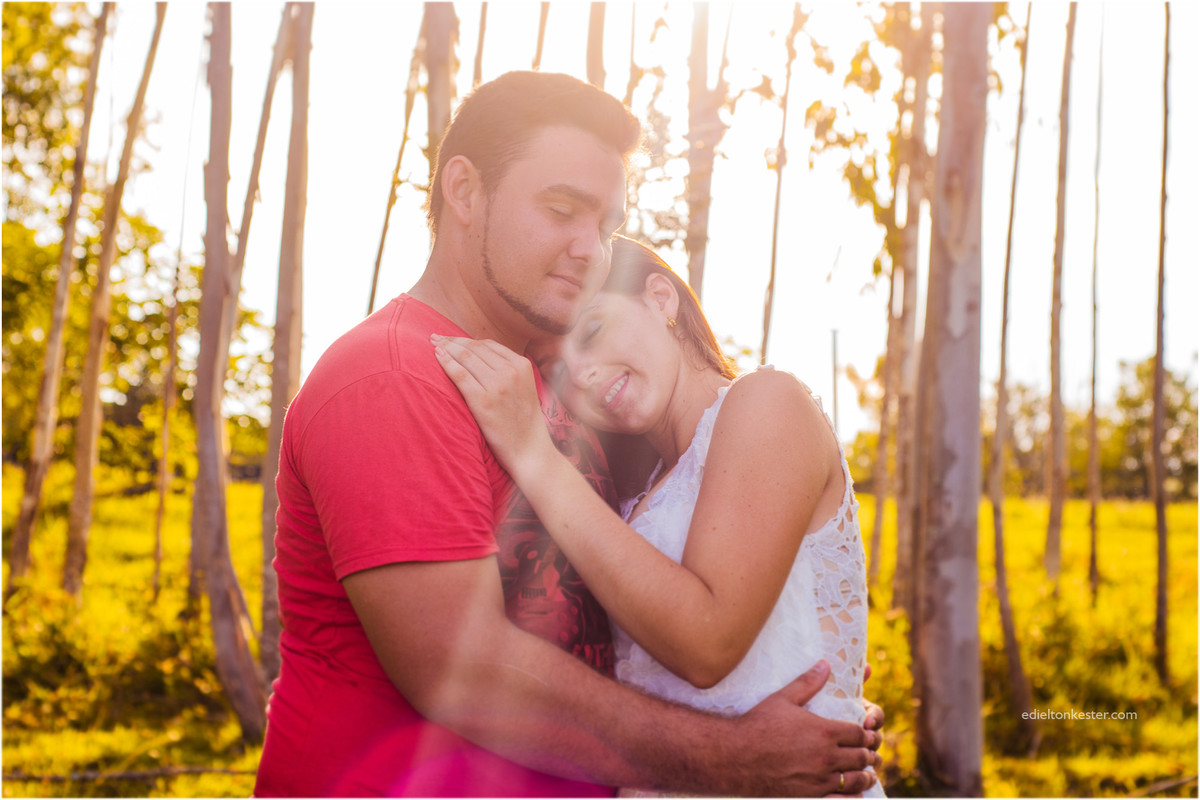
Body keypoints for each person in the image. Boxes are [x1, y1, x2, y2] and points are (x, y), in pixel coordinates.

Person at [254, 71, 881, 797]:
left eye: (607, 224)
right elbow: (467, 674)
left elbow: (705, 580)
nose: (591, 249)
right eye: (561, 209)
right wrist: (731, 755)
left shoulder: (555, 382)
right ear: (463, 191)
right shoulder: (391, 377)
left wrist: (803, 674)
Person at [434, 235, 884, 797]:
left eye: (593, 332)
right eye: (555, 371)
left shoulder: (768, 402)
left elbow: (706, 643)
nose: (584, 375)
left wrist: (533, 455)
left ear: (661, 299)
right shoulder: (631, 495)